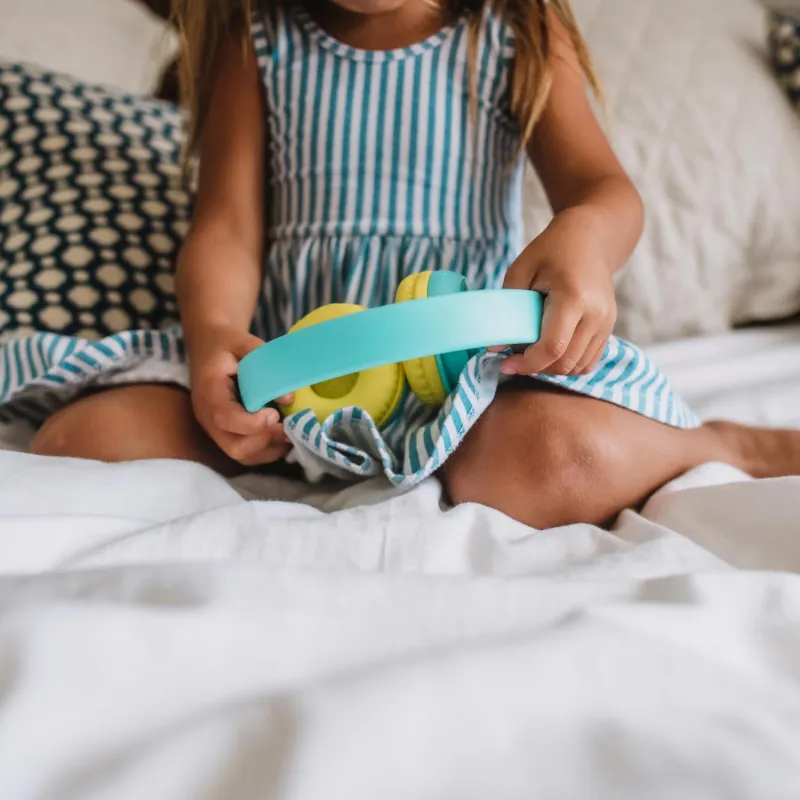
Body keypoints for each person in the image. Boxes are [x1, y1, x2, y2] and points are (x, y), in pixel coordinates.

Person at [17, 0, 800, 528]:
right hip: (289, 393)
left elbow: (604, 191)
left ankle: (720, 444)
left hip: (466, 385)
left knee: (560, 461)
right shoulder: (258, 35)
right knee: (80, 441)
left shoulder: (514, 26)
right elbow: (226, 227)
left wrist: (587, 235)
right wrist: (216, 333)